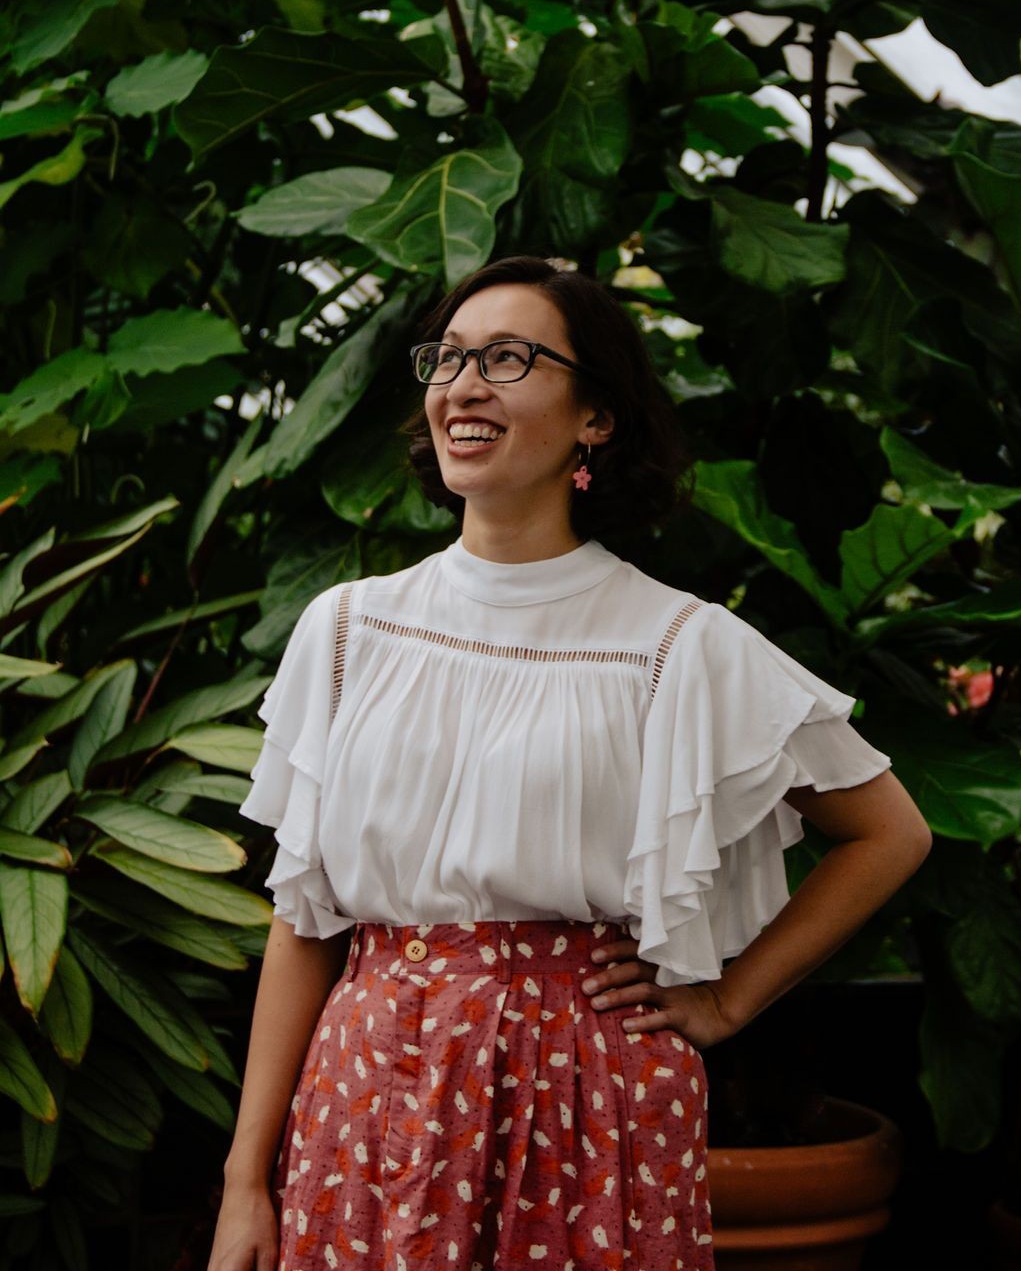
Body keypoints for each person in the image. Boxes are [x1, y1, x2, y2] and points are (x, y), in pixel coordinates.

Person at [209, 255, 932, 1271]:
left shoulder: (677, 646)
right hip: (371, 1087)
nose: (463, 385)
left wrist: (723, 1000)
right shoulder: (347, 630)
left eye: (507, 358)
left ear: (595, 415)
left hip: (593, 1098)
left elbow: (889, 831)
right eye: (448, 358)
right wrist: (246, 1180)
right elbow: (305, 922)